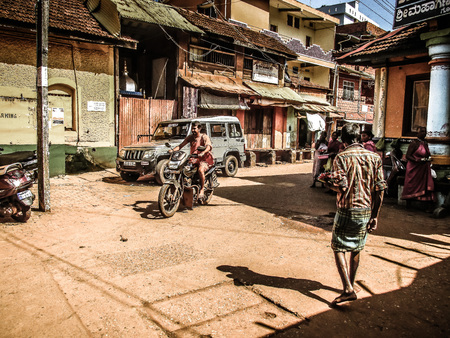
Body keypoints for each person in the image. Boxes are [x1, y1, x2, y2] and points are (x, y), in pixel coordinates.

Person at [326, 123, 386, 306]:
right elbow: (380, 190)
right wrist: (375, 215)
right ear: (359, 137)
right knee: (356, 248)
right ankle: (350, 284)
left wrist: (327, 183)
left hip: (347, 209)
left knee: (338, 247)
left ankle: (348, 289)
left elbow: (340, 186)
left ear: (343, 140)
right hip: (366, 210)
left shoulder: (341, 157)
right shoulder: (374, 157)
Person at [171, 121, 214, 199]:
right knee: (182, 169)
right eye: (192, 129)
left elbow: (208, 147)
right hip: (193, 159)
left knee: (200, 170)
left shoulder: (204, 137)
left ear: (199, 129)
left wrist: (203, 152)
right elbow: (181, 145)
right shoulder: (190, 137)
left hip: (204, 159)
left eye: (194, 128)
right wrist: (173, 151)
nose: (193, 130)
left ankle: (201, 190)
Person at [401, 126, 434, 202]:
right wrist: (417, 160)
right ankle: (409, 201)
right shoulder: (414, 143)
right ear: (417, 133)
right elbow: (408, 155)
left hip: (423, 167)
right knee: (411, 184)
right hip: (414, 167)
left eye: (425, 132)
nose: (424, 133)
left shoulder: (425, 143)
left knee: (423, 185)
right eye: (422, 131)